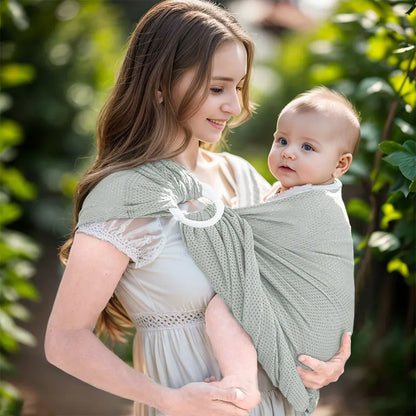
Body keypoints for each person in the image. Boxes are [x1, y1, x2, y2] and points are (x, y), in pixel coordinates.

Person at [44, 1, 351, 415]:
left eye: (239, 87)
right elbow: (65, 340)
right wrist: (168, 400)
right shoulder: (124, 197)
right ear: (159, 85)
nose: (235, 107)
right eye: (216, 88)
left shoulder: (245, 179)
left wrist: (327, 357)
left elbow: (299, 283)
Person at [197, 86, 360, 413]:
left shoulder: (316, 204)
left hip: (311, 338)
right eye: (282, 140)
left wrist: (196, 212)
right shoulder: (286, 190)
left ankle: (240, 382)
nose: (288, 152)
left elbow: (230, 229)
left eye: (307, 147)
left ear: (340, 165)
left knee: (223, 308)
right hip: (312, 341)